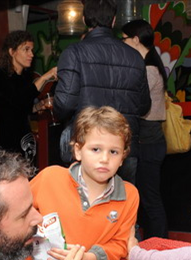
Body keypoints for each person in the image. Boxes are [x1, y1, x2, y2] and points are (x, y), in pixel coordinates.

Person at [17, 106, 139, 260]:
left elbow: (120, 243)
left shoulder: (129, 195)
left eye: (113, 152)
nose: (104, 159)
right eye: (96, 149)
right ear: (78, 151)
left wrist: (89, 259)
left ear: (122, 158)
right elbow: (14, 214)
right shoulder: (49, 178)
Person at [53, 0, 151, 185]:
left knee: (83, 200)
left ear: (84, 19)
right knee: (122, 199)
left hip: (87, 145)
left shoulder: (74, 52)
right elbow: (144, 105)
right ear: (113, 21)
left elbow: (64, 104)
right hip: (122, 147)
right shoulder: (135, 56)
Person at [121, 19, 168, 239]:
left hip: (149, 138)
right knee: (148, 198)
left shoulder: (148, 69)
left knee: (150, 199)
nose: (122, 43)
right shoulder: (149, 64)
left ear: (135, 39)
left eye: (124, 39)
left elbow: (138, 103)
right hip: (150, 138)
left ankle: (159, 244)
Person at [0, 30, 57, 157]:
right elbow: (16, 100)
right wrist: (44, 77)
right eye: (26, 49)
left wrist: (39, 106)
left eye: (32, 50)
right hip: (5, 137)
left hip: (24, 135)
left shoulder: (25, 77)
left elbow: (23, 108)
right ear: (12, 52)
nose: (31, 54)